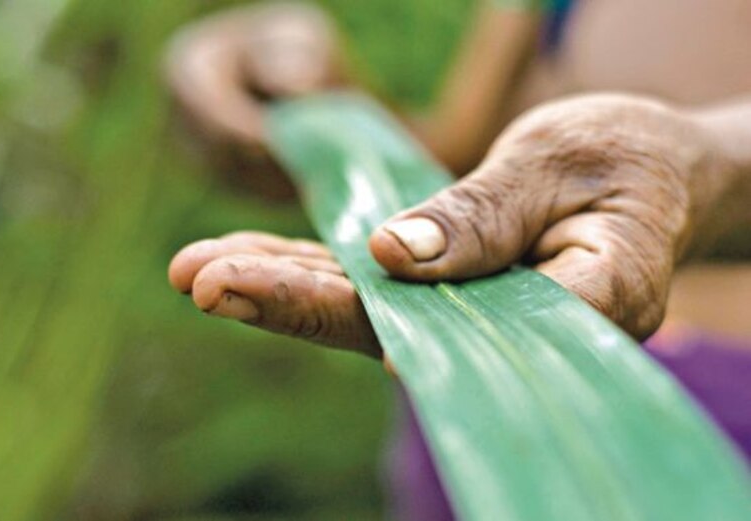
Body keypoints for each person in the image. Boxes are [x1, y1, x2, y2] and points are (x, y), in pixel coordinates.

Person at [165, 1, 751, 519]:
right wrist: (326, 118)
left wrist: (718, 162)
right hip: (483, 394)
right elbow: (471, 160)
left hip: (713, 412)